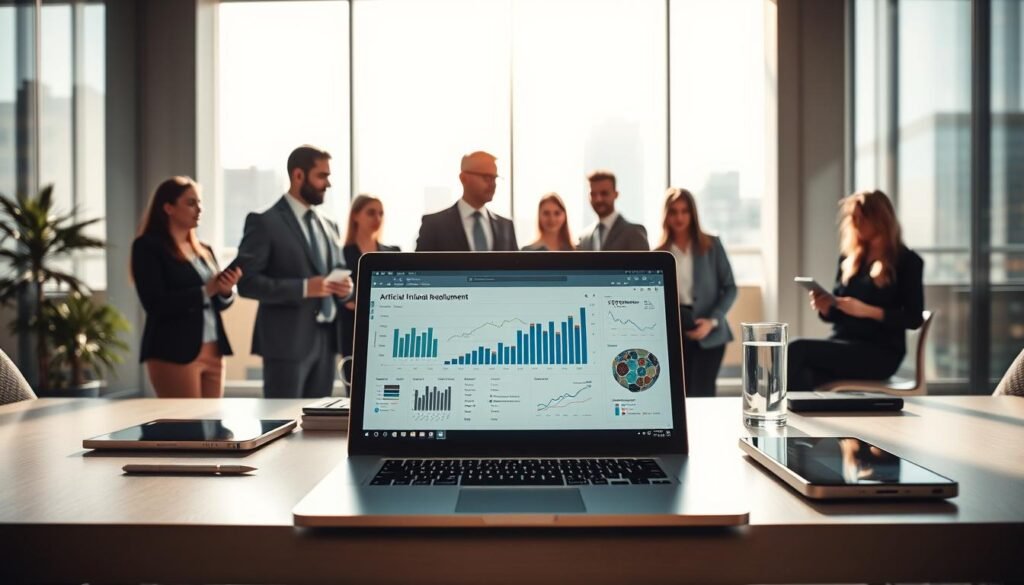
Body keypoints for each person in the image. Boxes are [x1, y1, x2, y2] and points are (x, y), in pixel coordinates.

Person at [236, 145, 354, 399]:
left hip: (326, 342)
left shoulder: (329, 224)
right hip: (286, 343)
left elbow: (337, 274)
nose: (328, 184)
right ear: (298, 175)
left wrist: (346, 290)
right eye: (321, 176)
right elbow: (246, 282)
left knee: (316, 427)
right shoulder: (264, 222)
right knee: (282, 422)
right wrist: (303, 288)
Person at [788, 189, 924, 391]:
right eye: (853, 218)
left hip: (880, 353)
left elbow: (913, 319)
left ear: (879, 219)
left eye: (861, 218)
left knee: (795, 349)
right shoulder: (850, 259)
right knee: (804, 373)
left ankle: (787, 415)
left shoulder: (907, 262)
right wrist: (826, 308)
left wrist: (866, 311)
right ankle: (802, 419)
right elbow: (837, 316)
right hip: (844, 344)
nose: (855, 224)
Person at [131, 176, 241, 398]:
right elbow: (155, 303)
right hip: (174, 351)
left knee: (213, 428)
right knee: (185, 429)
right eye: (191, 203)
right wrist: (205, 291)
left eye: (200, 202)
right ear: (168, 207)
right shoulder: (148, 247)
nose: (199, 209)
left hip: (213, 350)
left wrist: (225, 291)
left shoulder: (205, 251)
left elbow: (216, 302)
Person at [656, 187, 736, 397]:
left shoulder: (711, 245)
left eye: (684, 211)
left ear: (693, 214)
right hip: (676, 329)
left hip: (710, 331)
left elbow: (730, 287)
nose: (679, 217)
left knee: (703, 392)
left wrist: (713, 320)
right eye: (673, 211)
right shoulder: (659, 252)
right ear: (666, 216)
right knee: (679, 394)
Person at [415, 151, 518, 251]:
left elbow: (516, 267)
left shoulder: (506, 226)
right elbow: (419, 267)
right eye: (486, 177)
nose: (493, 184)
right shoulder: (434, 225)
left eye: (494, 178)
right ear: (463, 178)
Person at [340, 194, 400, 360]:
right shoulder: (342, 254)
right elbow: (342, 297)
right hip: (353, 332)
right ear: (355, 216)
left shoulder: (393, 252)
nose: (377, 218)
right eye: (371, 213)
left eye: (381, 213)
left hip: (387, 332)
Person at [577, 170, 649, 251]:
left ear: (616, 194)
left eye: (604, 193)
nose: (598, 199)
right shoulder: (584, 238)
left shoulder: (634, 233)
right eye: (593, 194)